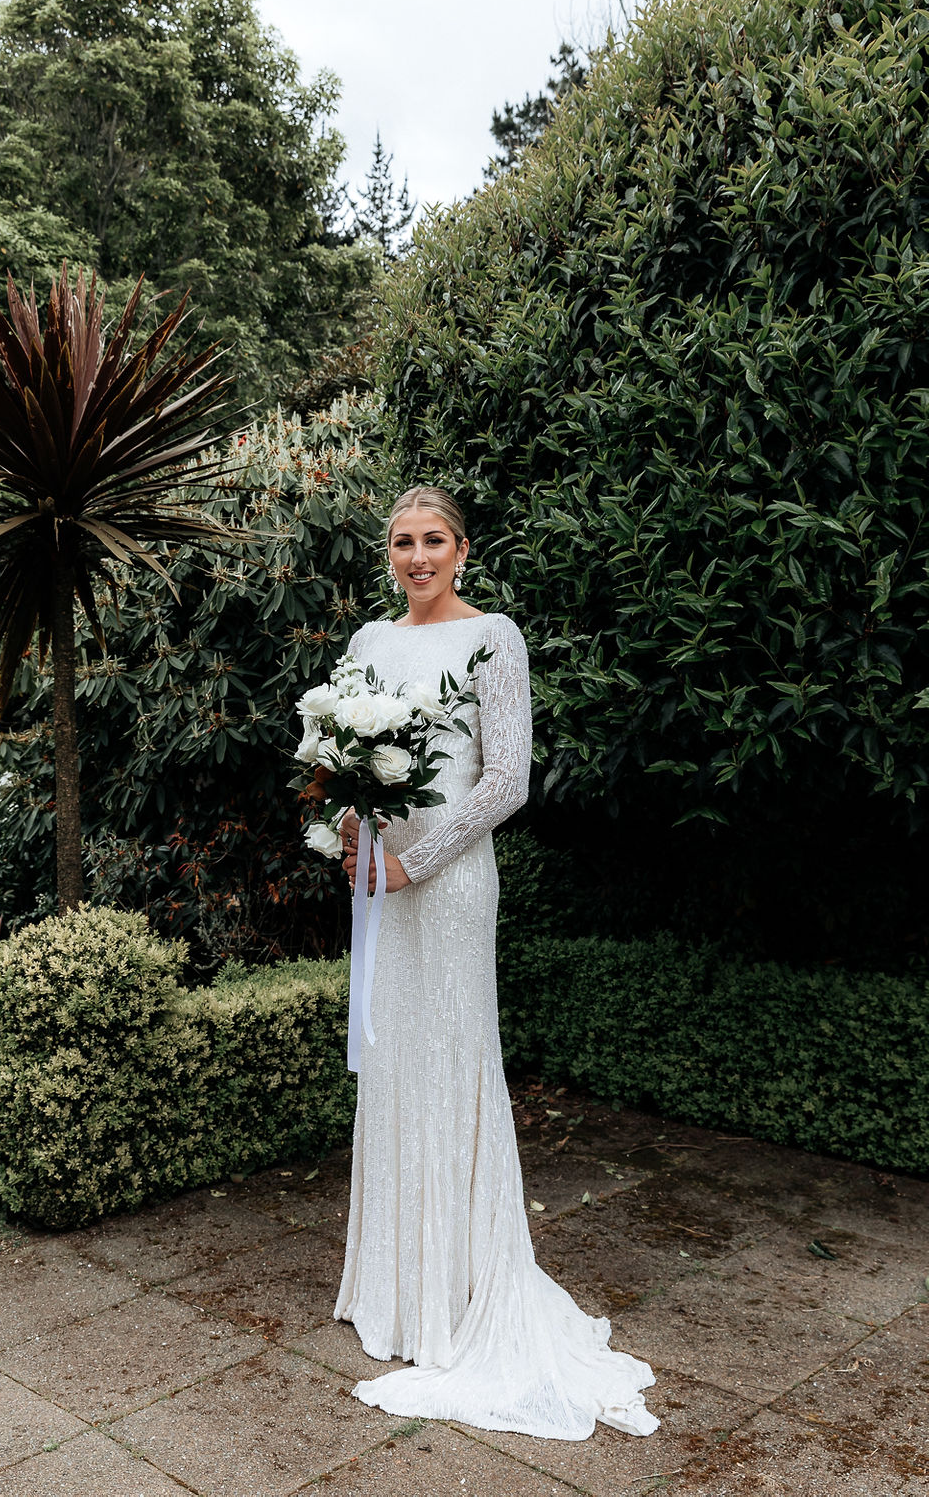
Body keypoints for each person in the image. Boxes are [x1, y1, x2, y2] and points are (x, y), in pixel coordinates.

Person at [334, 486, 659, 1440]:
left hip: (451, 883)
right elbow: (335, 767)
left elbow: (506, 780)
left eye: (434, 540)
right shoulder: (365, 646)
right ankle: (395, 1290)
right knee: (392, 1064)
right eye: (402, 542)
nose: (418, 555)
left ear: (463, 549)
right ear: (387, 554)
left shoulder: (495, 639)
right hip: (381, 885)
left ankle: (466, 1289)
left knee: (456, 1059)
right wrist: (348, 840)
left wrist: (417, 862)